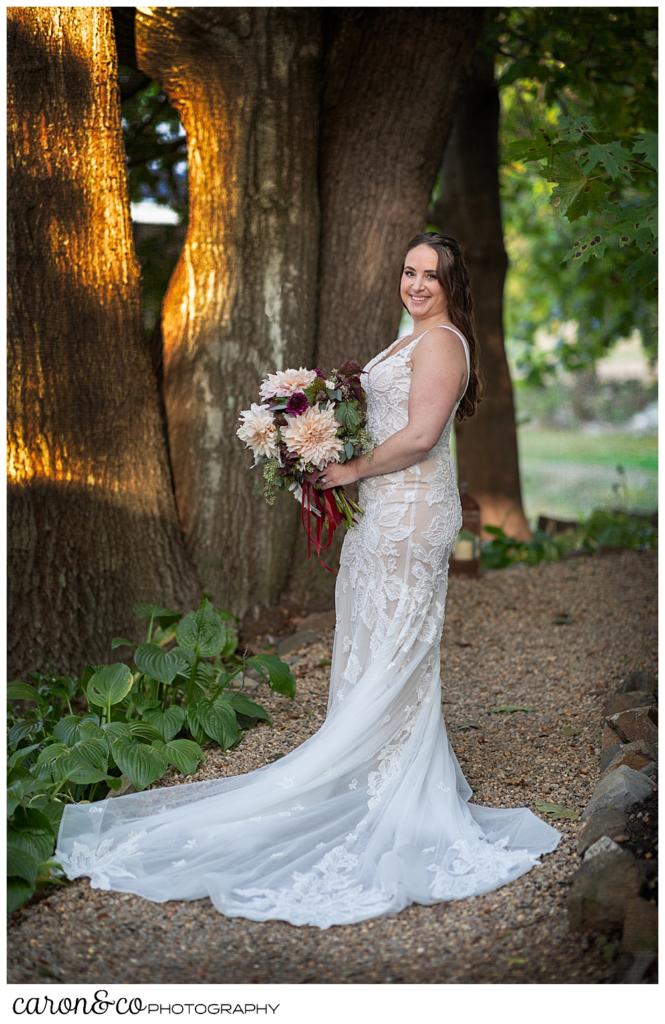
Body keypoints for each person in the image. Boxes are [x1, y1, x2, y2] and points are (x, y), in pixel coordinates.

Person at [55, 231, 561, 928]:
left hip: (409, 514)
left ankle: (388, 780)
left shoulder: (442, 343)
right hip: (383, 510)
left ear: (453, 286)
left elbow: (418, 435)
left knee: (397, 645)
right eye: (408, 272)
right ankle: (371, 767)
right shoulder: (410, 336)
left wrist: (348, 469)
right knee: (372, 638)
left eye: (430, 276)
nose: (415, 285)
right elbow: (383, 418)